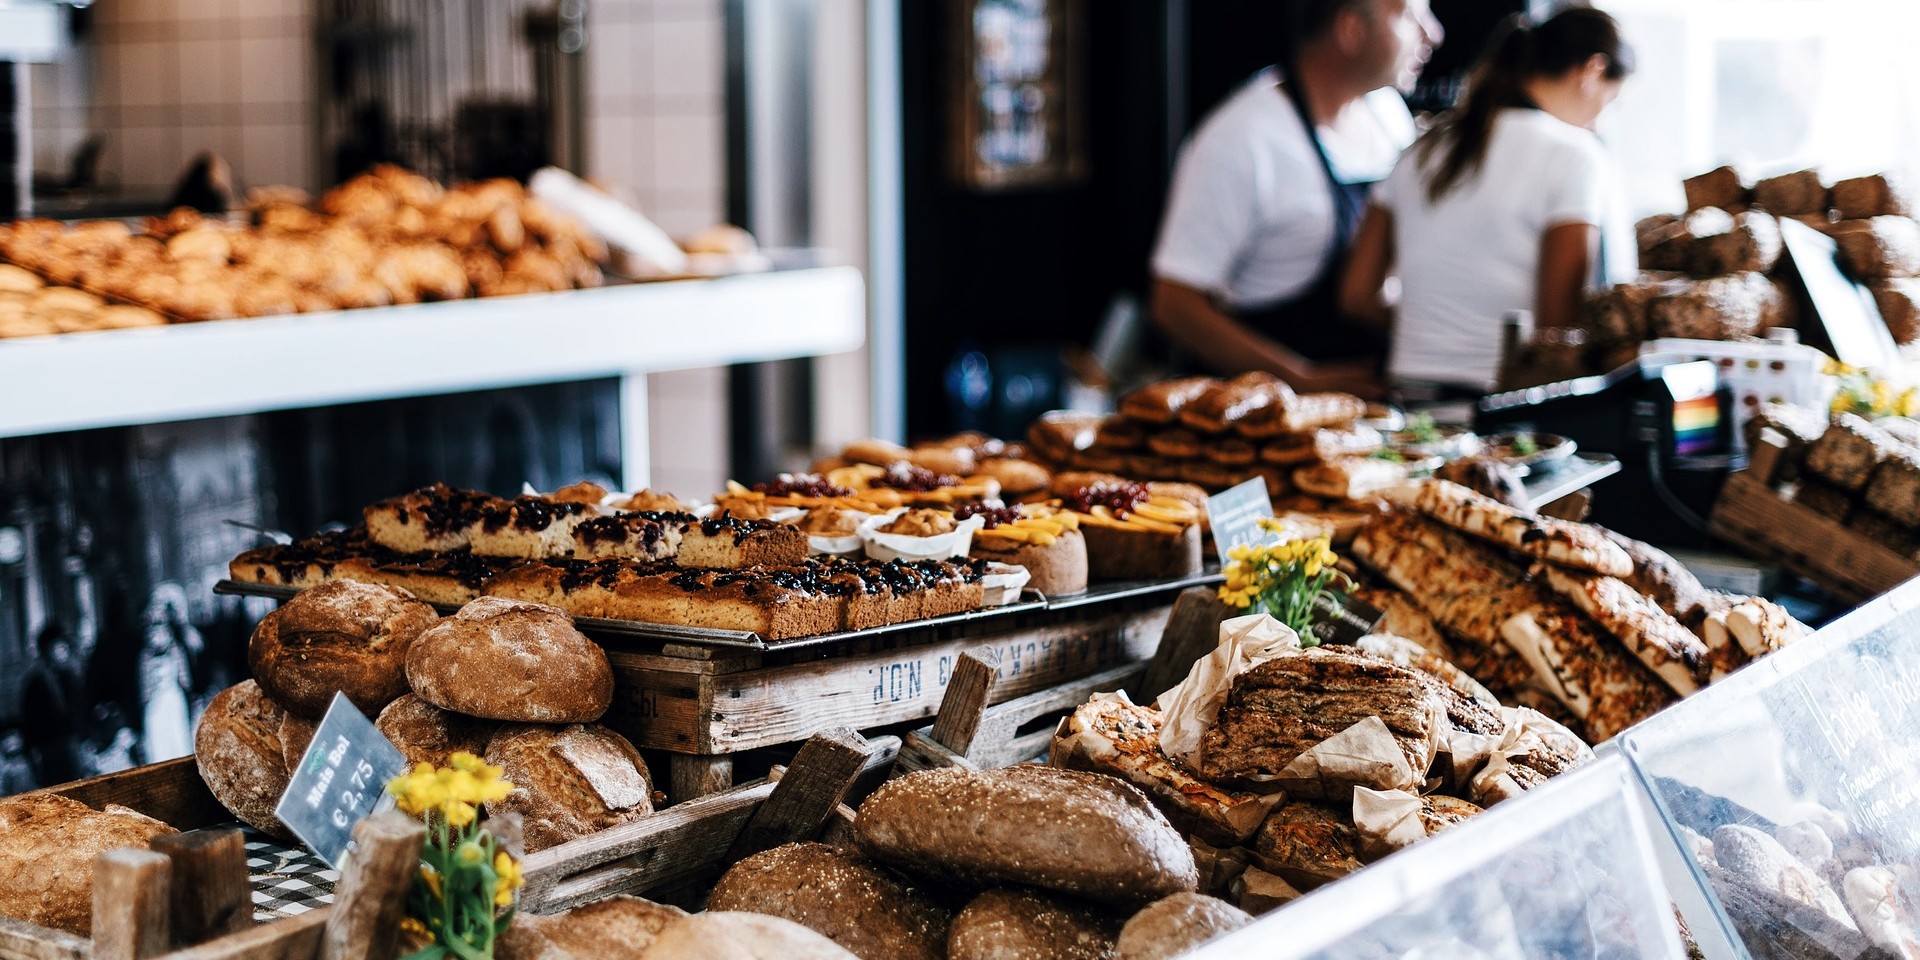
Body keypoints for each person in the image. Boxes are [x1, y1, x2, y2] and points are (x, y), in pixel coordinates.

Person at [1150, 0, 1443, 397]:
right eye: (1412, 17)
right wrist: (1298, 380)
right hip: (1267, 419)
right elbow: (1174, 304)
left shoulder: (1388, 115)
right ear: (1351, 30)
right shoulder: (1242, 139)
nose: (1433, 34)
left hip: (1372, 404)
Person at [1340, 7, 1637, 394]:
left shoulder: (1421, 149)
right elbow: (1556, 328)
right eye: (1611, 103)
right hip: (1504, 409)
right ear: (1592, 72)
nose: (1602, 119)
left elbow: (1357, 296)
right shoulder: (1576, 155)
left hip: (1409, 398)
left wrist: (1436, 328)